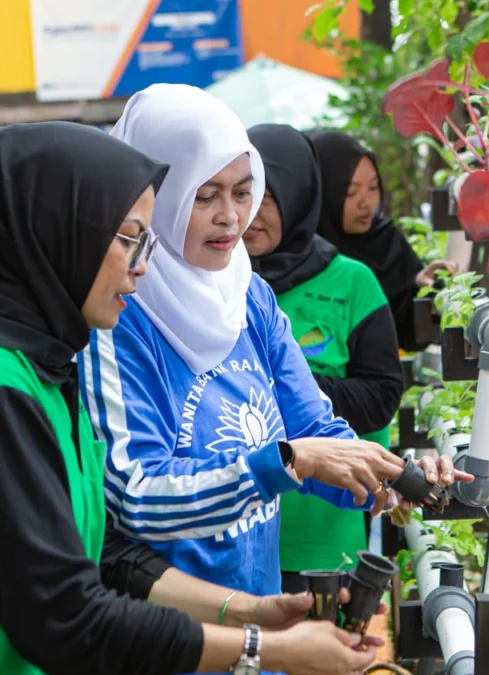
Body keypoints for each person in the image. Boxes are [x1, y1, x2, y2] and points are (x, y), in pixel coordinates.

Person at [0, 121, 379, 675]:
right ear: (56, 232)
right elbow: (66, 614)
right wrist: (264, 650)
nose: (142, 263)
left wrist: (249, 612)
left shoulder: (35, 366)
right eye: (128, 237)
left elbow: (108, 554)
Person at [80, 84, 467, 611]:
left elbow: (314, 429)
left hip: (258, 616)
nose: (230, 217)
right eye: (205, 194)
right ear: (156, 196)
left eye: (243, 192)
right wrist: (287, 462)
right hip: (169, 632)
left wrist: (398, 476)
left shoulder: (248, 295)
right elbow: (136, 497)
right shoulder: (118, 313)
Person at [241, 124, 404, 593]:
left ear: (299, 194)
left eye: (267, 195)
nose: (250, 212)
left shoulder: (353, 283)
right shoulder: (209, 285)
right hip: (232, 537)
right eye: (240, 193)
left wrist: (276, 389)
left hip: (321, 542)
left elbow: (380, 396)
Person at [306, 130, 459, 352]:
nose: (366, 203)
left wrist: (418, 288)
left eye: (373, 187)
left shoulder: (387, 242)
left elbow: (410, 338)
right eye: (351, 192)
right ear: (322, 191)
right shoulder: (300, 254)